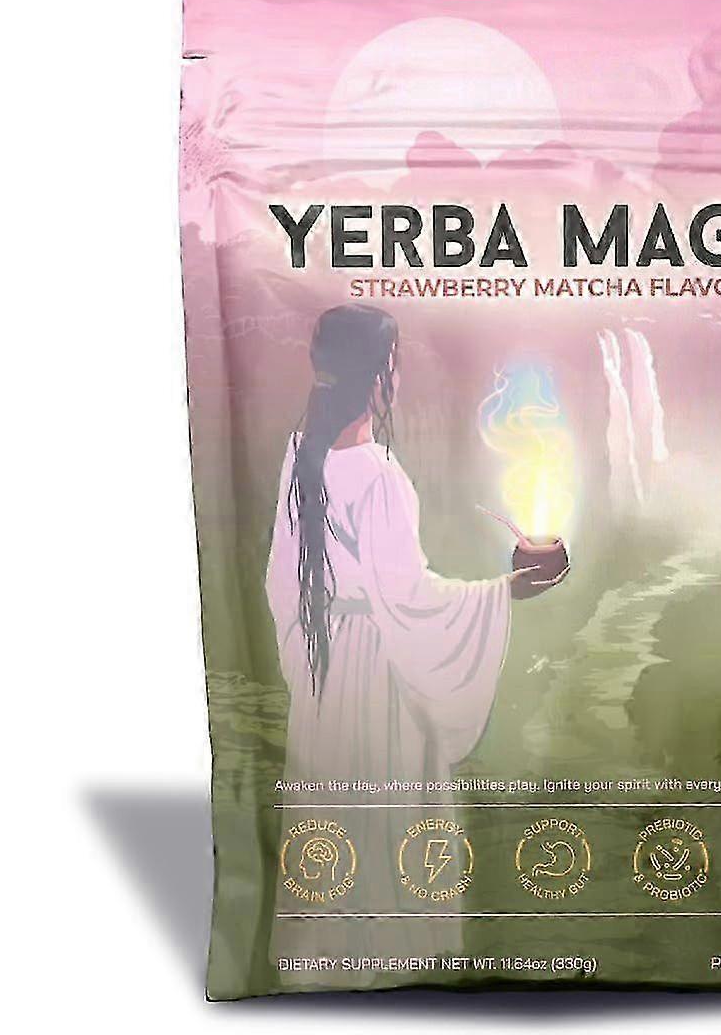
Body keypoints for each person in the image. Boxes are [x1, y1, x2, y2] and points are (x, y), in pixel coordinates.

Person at [265, 304, 566, 977]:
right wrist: (505, 592)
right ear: (378, 376)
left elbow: (281, 580)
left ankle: (329, 960)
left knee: (334, 803)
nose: (397, 378)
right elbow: (408, 597)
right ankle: (390, 958)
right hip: (380, 663)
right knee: (390, 800)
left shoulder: (300, 455)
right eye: (393, 364)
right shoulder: (379, 476)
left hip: (325, 660)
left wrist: (307, 657)